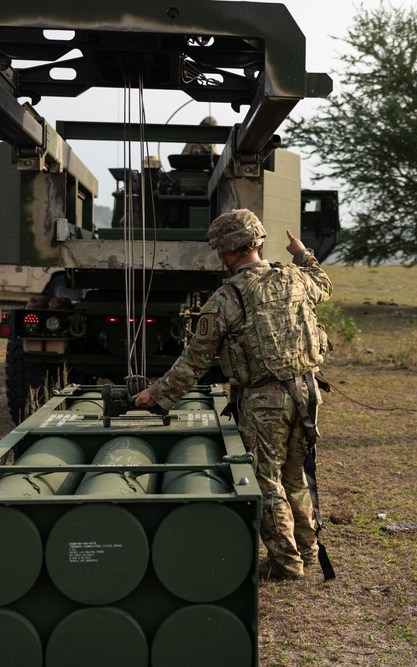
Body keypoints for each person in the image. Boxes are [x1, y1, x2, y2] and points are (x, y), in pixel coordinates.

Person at [133, 209, 333, 581]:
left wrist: (157, 395)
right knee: (296, 474)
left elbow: (195, 359)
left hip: (265, 401)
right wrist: (302, 253)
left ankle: (287, 563)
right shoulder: (295, 277)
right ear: (258, 242)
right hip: (307, 391)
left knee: (265, 479)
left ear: (227, 251)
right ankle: (307, 550)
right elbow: (324, 283)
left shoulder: (227, 297)